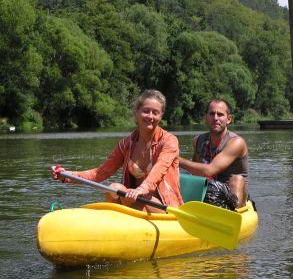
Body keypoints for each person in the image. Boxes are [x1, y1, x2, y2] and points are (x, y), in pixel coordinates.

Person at [51, 89, 183, 213]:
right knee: (114, 188)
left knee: (137, 196)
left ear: (161, 115)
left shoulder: (169, 141)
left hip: (164, 206)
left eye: (155, 112)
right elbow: (100, 173)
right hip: (132, 200)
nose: (150, 116)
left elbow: (159, 170)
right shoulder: (126, 144)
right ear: (137, 111)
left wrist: (142, 189)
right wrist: (67, 176)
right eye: (146, 111)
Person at [179, 99, 248, 209]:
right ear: (205, 118)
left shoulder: (236, 143)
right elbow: (196, 172)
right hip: (208, 190)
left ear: (229, 119)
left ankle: (234, 212)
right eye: (211, 114)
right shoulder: (198, 141)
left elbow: (210, 170)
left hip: (230, 195)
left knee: (237, 179)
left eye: (220, 114)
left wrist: (176, 159)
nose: (215, 118)